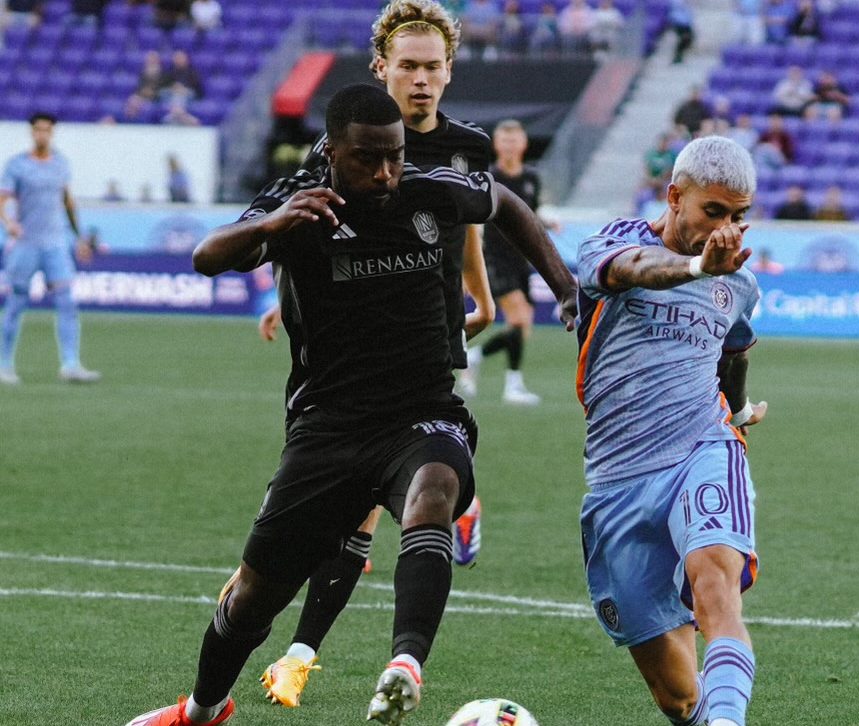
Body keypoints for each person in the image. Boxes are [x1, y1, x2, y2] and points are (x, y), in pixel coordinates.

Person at [123, 83, 578, 726]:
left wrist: (565, 292)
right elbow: (207, 255)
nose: (387, 172)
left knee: (436, 489)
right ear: (332, 152)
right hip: (326, 429)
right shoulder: (299, 203)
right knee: (254, 598)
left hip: (420, 410)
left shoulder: (425, 187)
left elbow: (504, 205)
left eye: (394, 155)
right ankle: (200, 711)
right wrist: (274, 225)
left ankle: (404, 667)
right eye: (369, 158)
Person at [244, 0, 577, 709]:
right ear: (381, 68)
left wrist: (480, 297)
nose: (421, 80)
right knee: (349, 511)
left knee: (370, 501)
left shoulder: (467, 145)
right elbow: (304, 227)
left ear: (448, 71)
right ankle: (311, 638)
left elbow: (471, 226)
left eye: (432, 68)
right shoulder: (341, 143)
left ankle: (302, 654)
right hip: (346, 346)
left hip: (423, 338)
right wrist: (286, 297)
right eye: (409, 67)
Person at [575, 135, 766, 726]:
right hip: (617, 479)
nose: (727, 230)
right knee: (679, 697)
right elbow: (633, 270)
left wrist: (735, 414)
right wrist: (693, 267)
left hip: (702, 448)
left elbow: (732, 353)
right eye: (714, 212)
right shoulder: (611, 245)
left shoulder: (738, 283)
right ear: (675, 195)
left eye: (739, 217)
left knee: (715, 581)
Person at [0, 112, 101, 385]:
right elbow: (3, 199)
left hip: (55, 243)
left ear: (52, 133)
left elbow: (67, 202)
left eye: (46, 130)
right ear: (31, 133)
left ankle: (70, 365)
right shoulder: (17, 166)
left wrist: (79, 237)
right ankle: (4, 365)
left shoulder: (61, 164)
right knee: (16, 303)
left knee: (67, 302)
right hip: (26, 243)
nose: (42, 134)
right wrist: (9, 222)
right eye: (38, 130)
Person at [460, 120, 555, 405]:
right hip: (495, 258)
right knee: (517, 319)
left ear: (524, 144)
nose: (511, 146)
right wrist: (468, 268)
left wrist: (546, 222)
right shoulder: (488, 179)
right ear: (496, 145)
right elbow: (473, 223)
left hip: (521, 259)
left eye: (515, 140)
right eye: (505, 141)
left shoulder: (531, 178)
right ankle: (512, 386)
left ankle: (474, 356)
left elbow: (529, 215)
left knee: (522, 328)